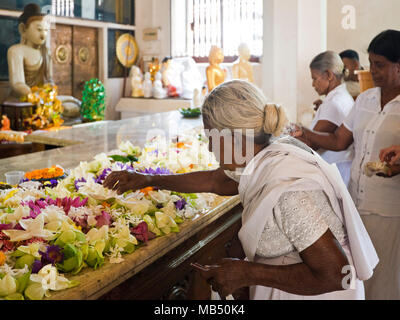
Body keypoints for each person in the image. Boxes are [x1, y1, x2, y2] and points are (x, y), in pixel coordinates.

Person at [104, 80, 378, 300]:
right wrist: (148, 180)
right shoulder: (265, 158)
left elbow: (336, 274)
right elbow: (215, 181)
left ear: (232, 137)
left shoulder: (289, 191)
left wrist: (248, 273)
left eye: (210, 137)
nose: (210, 148)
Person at [290, 30, 400, 300]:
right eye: (371, 63)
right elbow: (339, 140)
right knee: (358, 280)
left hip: (390, 211)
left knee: (386, 282)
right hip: (355, 205)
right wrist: (304, 133)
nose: (373, 71)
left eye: (381, 65)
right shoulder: (365, 99)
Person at [308, 51, 355, 164]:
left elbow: (311, 144)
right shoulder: (341, 96)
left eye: (314, 78)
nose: (313, 84)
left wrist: (295, 132)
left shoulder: (334, 103)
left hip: (334, 168)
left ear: (329, 75)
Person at [7, 3, 53, 100]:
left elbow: (49, 80)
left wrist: (50, 91)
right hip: (23, 100)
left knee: (74, 105)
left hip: (43, 97)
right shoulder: (16, 51)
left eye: (46, 30)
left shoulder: (46, 52)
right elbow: (17, 83)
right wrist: (33, 95)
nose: (43, 35)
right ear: (23, 29)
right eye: (39, 29)